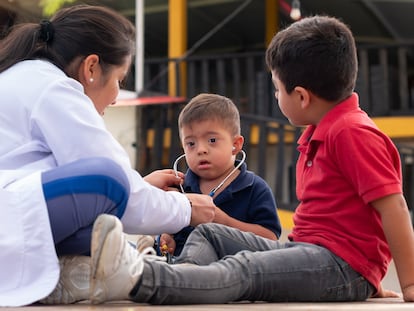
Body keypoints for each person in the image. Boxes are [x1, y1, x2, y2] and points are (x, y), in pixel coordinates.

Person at [88, 15, 414, 304]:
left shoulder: (351, 133)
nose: (275, 96)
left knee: (246, 270)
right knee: (208, 233)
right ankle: (179, 283)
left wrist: (405, 282)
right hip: (317, 258)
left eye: (277, 89)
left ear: (301, 96)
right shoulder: (322, 134)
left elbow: (393, 207)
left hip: (338, 265)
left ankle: (140, 279)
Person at [0, 5, 215, 307]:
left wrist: (139, 187)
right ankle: (75, 274)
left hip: (11, 215)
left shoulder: (26, 76)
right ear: (91, 67)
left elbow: (49, 174)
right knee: (108, 179)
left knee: (106, 232)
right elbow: (112, 176)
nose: (116, 96)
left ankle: (71, 275)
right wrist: (184, 208)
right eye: (120, 79)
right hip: (8, 218)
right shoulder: (54, 88)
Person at [153, 93, 281, 258]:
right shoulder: (179, 188)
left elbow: (270, 241)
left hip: (235, 275)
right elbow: (164, 231)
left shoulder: (254, 188)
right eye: (191, 143)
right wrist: (164, 239)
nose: (201, 150)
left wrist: (222, 221)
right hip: (182, 273)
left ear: (235, 145)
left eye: (212, 140)